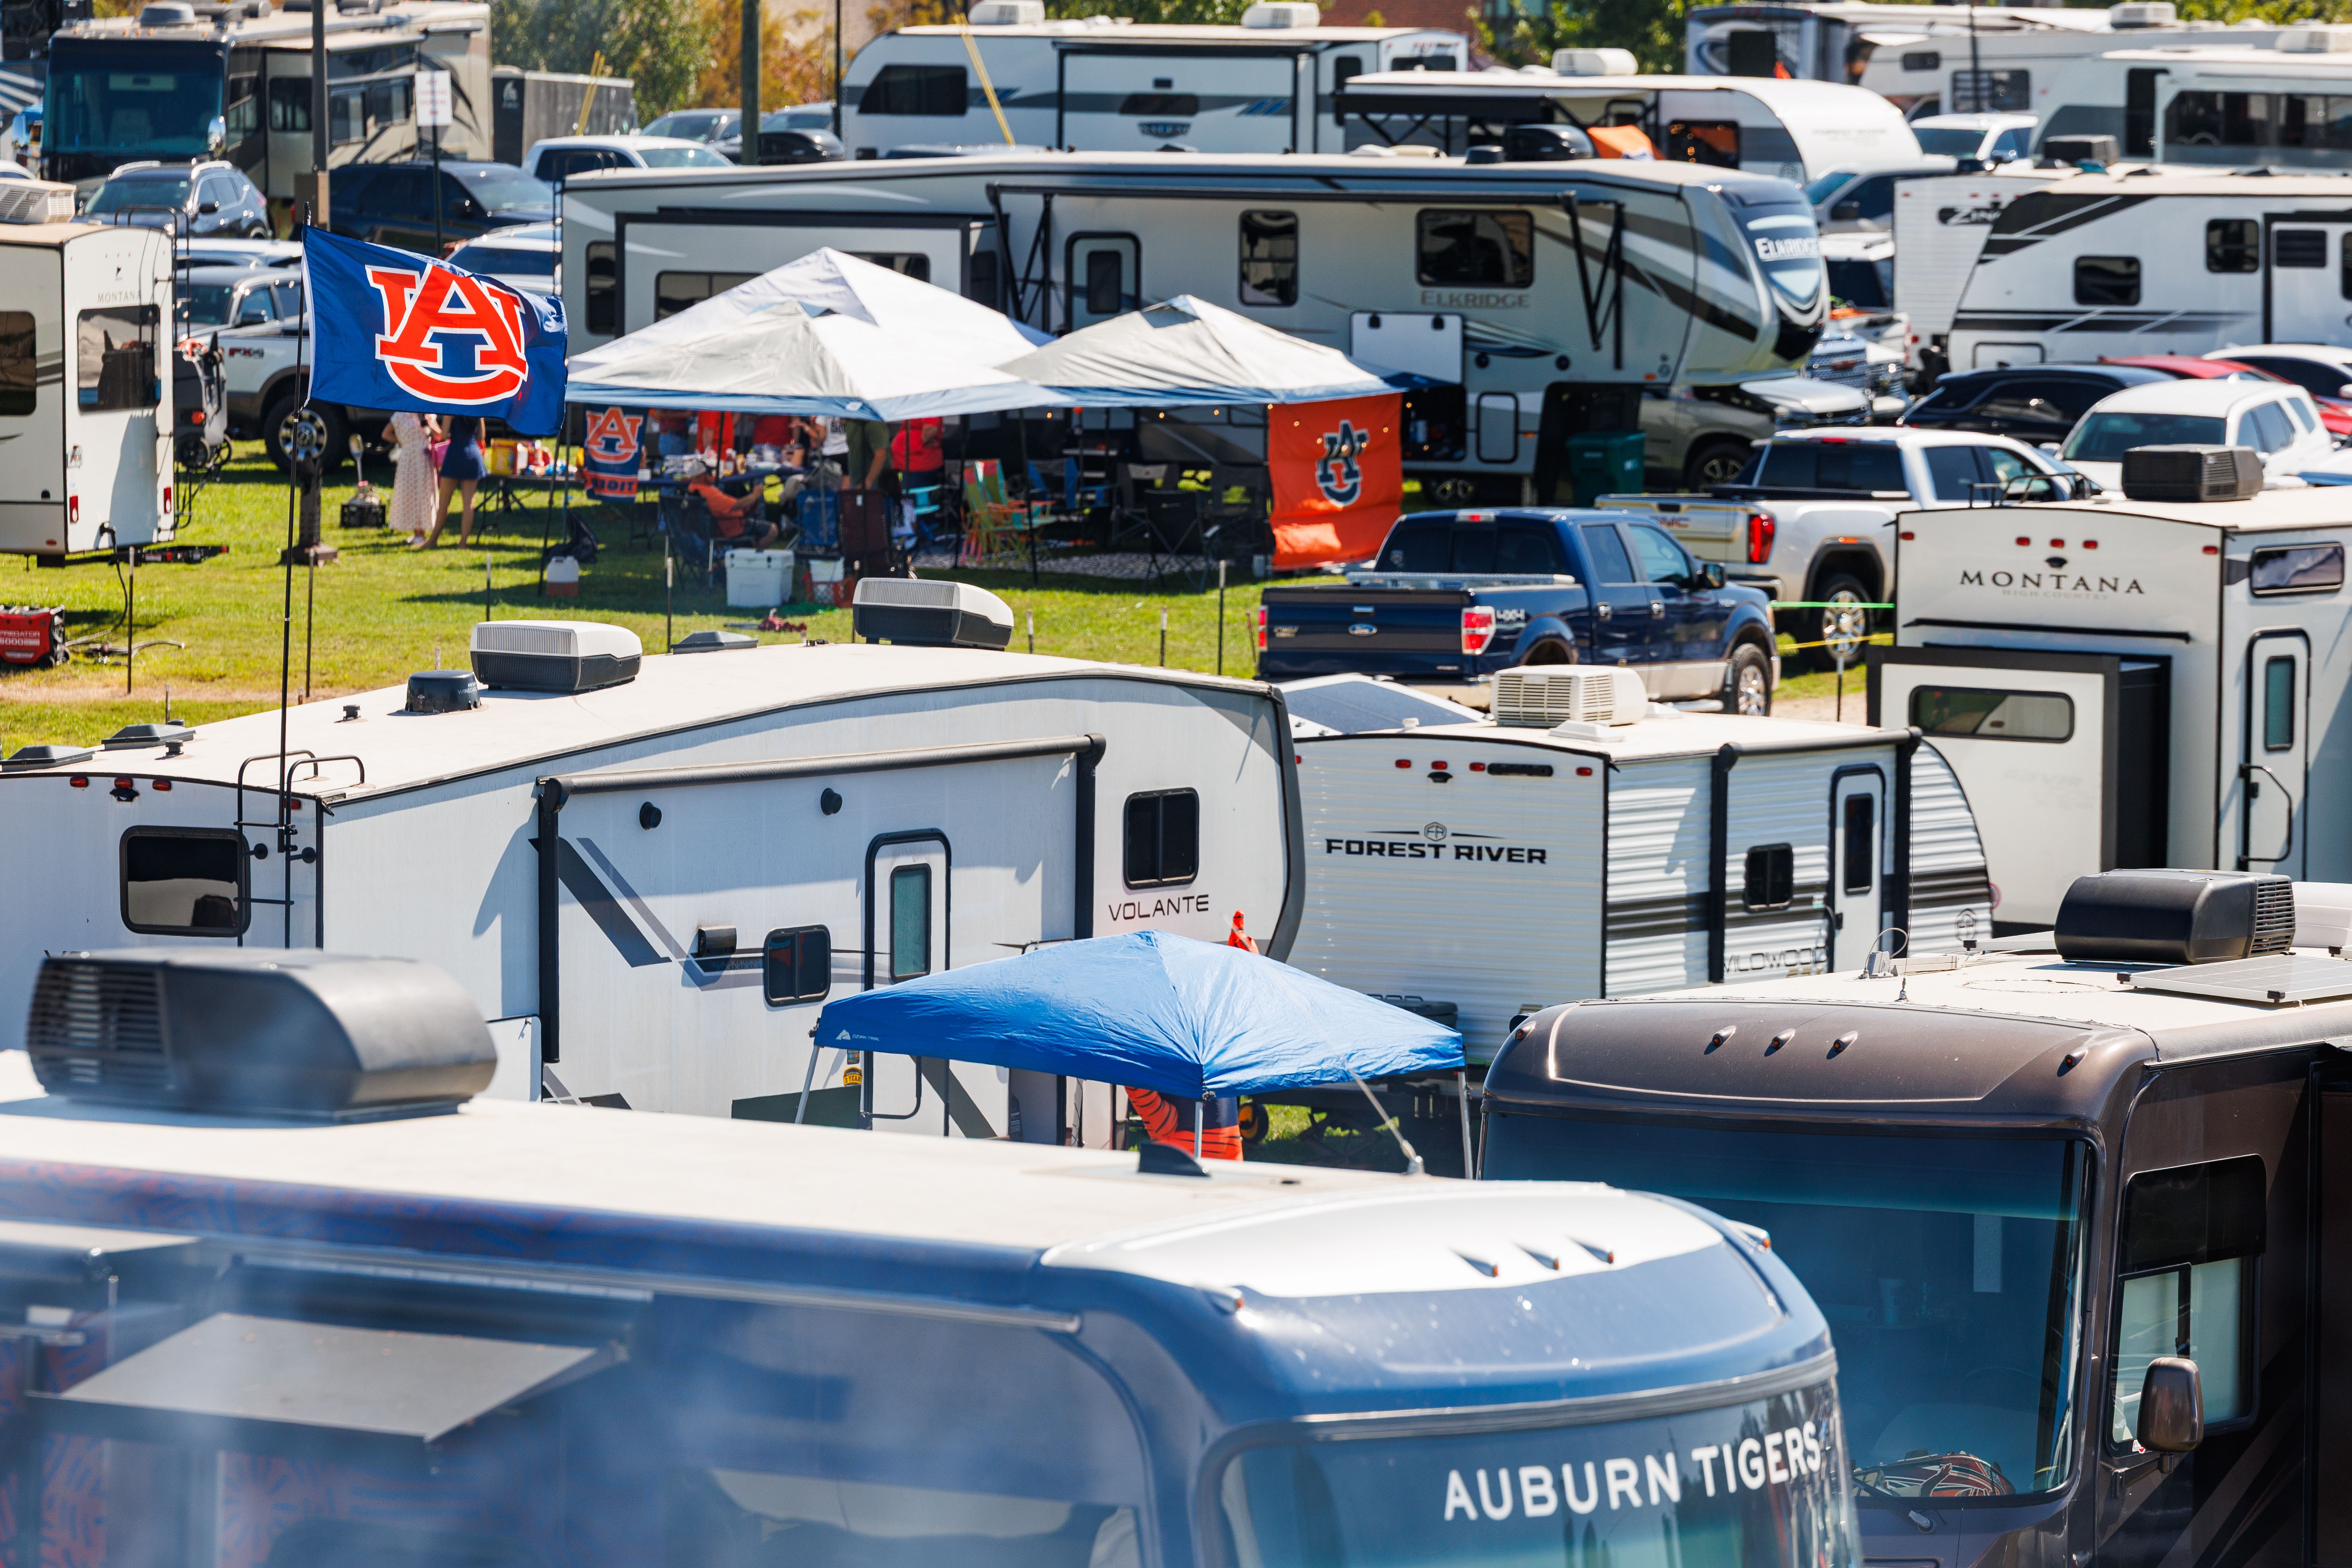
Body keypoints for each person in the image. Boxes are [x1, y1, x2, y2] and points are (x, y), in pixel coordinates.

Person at [416, 413, 483, 549]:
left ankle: (433, 540)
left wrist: (434, 425)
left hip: (455, 455)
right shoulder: (478, 409)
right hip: (473, 455)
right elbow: (481, 436)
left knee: (444, 503)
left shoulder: (452, 409)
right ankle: (463, 543)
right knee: (469, 503)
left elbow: (445, 436)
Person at [386, 409, 438, 543]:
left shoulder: (428, 414)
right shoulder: (400, 415)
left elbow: (439, 436)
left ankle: (422, 532)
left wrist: (430, 423)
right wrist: (403, 441)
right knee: (411, 494)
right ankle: (417, 532)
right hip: (409, 457)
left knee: (424, 493)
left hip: (424, 458)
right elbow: (386, 434)